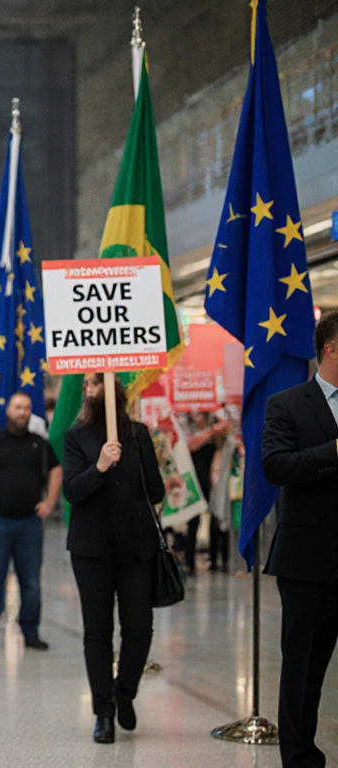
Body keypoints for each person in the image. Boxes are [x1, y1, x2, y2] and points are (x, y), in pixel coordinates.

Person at [63, 373, 164, 744]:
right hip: (92, 549)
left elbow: (154, 489)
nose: (90, 389)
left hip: (135, 547)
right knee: (97, 632)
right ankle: (103, 712)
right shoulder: (76, 438)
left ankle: (125, 692)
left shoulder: (138, 434)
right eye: (88, 384)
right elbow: (72, 491)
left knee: (139, 628)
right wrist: (101, 467)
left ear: (115, 392)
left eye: (95, 383)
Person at [262, 311, 338, 768]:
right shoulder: (288, 403)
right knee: (303, 669)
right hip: (307, 559)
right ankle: (299, 755)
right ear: (331, 348)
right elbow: (276, 466)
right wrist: (332, 452)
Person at [0, 392, 61, 651]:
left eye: (27, 408)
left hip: (30, 524)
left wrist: (50, 501)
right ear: (8, 410)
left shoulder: (39, 444)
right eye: (18, 407)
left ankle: (31, 632)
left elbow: (56, 469)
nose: (22, 412)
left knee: (30, 583)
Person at [184, 411, 229, 573]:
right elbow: (190, 444)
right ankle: (190, 561)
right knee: (193, 520)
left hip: (213, 477)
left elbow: (224, 445)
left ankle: (217, 560)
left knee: (216, 519)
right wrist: (210, 432)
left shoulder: (216, 420)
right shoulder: (187, 424)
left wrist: (221, 429)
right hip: (194, 479)